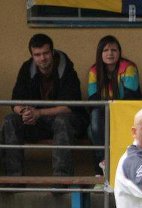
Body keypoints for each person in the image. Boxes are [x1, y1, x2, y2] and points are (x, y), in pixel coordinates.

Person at [3, 33, 87, 177]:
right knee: (10, 120)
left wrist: (39, 113)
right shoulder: (26, 68)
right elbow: (15, 102)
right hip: (37, 123)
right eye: (37, 54)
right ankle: (13, 178)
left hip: (67, 123)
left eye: (45, 53)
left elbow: (69, 107)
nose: (42, 58)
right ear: (32, 56)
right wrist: (24, 112)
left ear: (52, 52)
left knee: (62, 121)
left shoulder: (67, 68)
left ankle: (61, 180)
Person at [87, 35, 142, 178]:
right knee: (92, 127)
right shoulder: (94, 71)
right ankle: (103, 165)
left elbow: (131, 98)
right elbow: (93, 101)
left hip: (126, 115)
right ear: (100, 53)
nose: (110, 53)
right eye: (105, 50)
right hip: (103, 116)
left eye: (114, 50)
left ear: (119, 52)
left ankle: (106, 169)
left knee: (94, 129)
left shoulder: (128, 68)